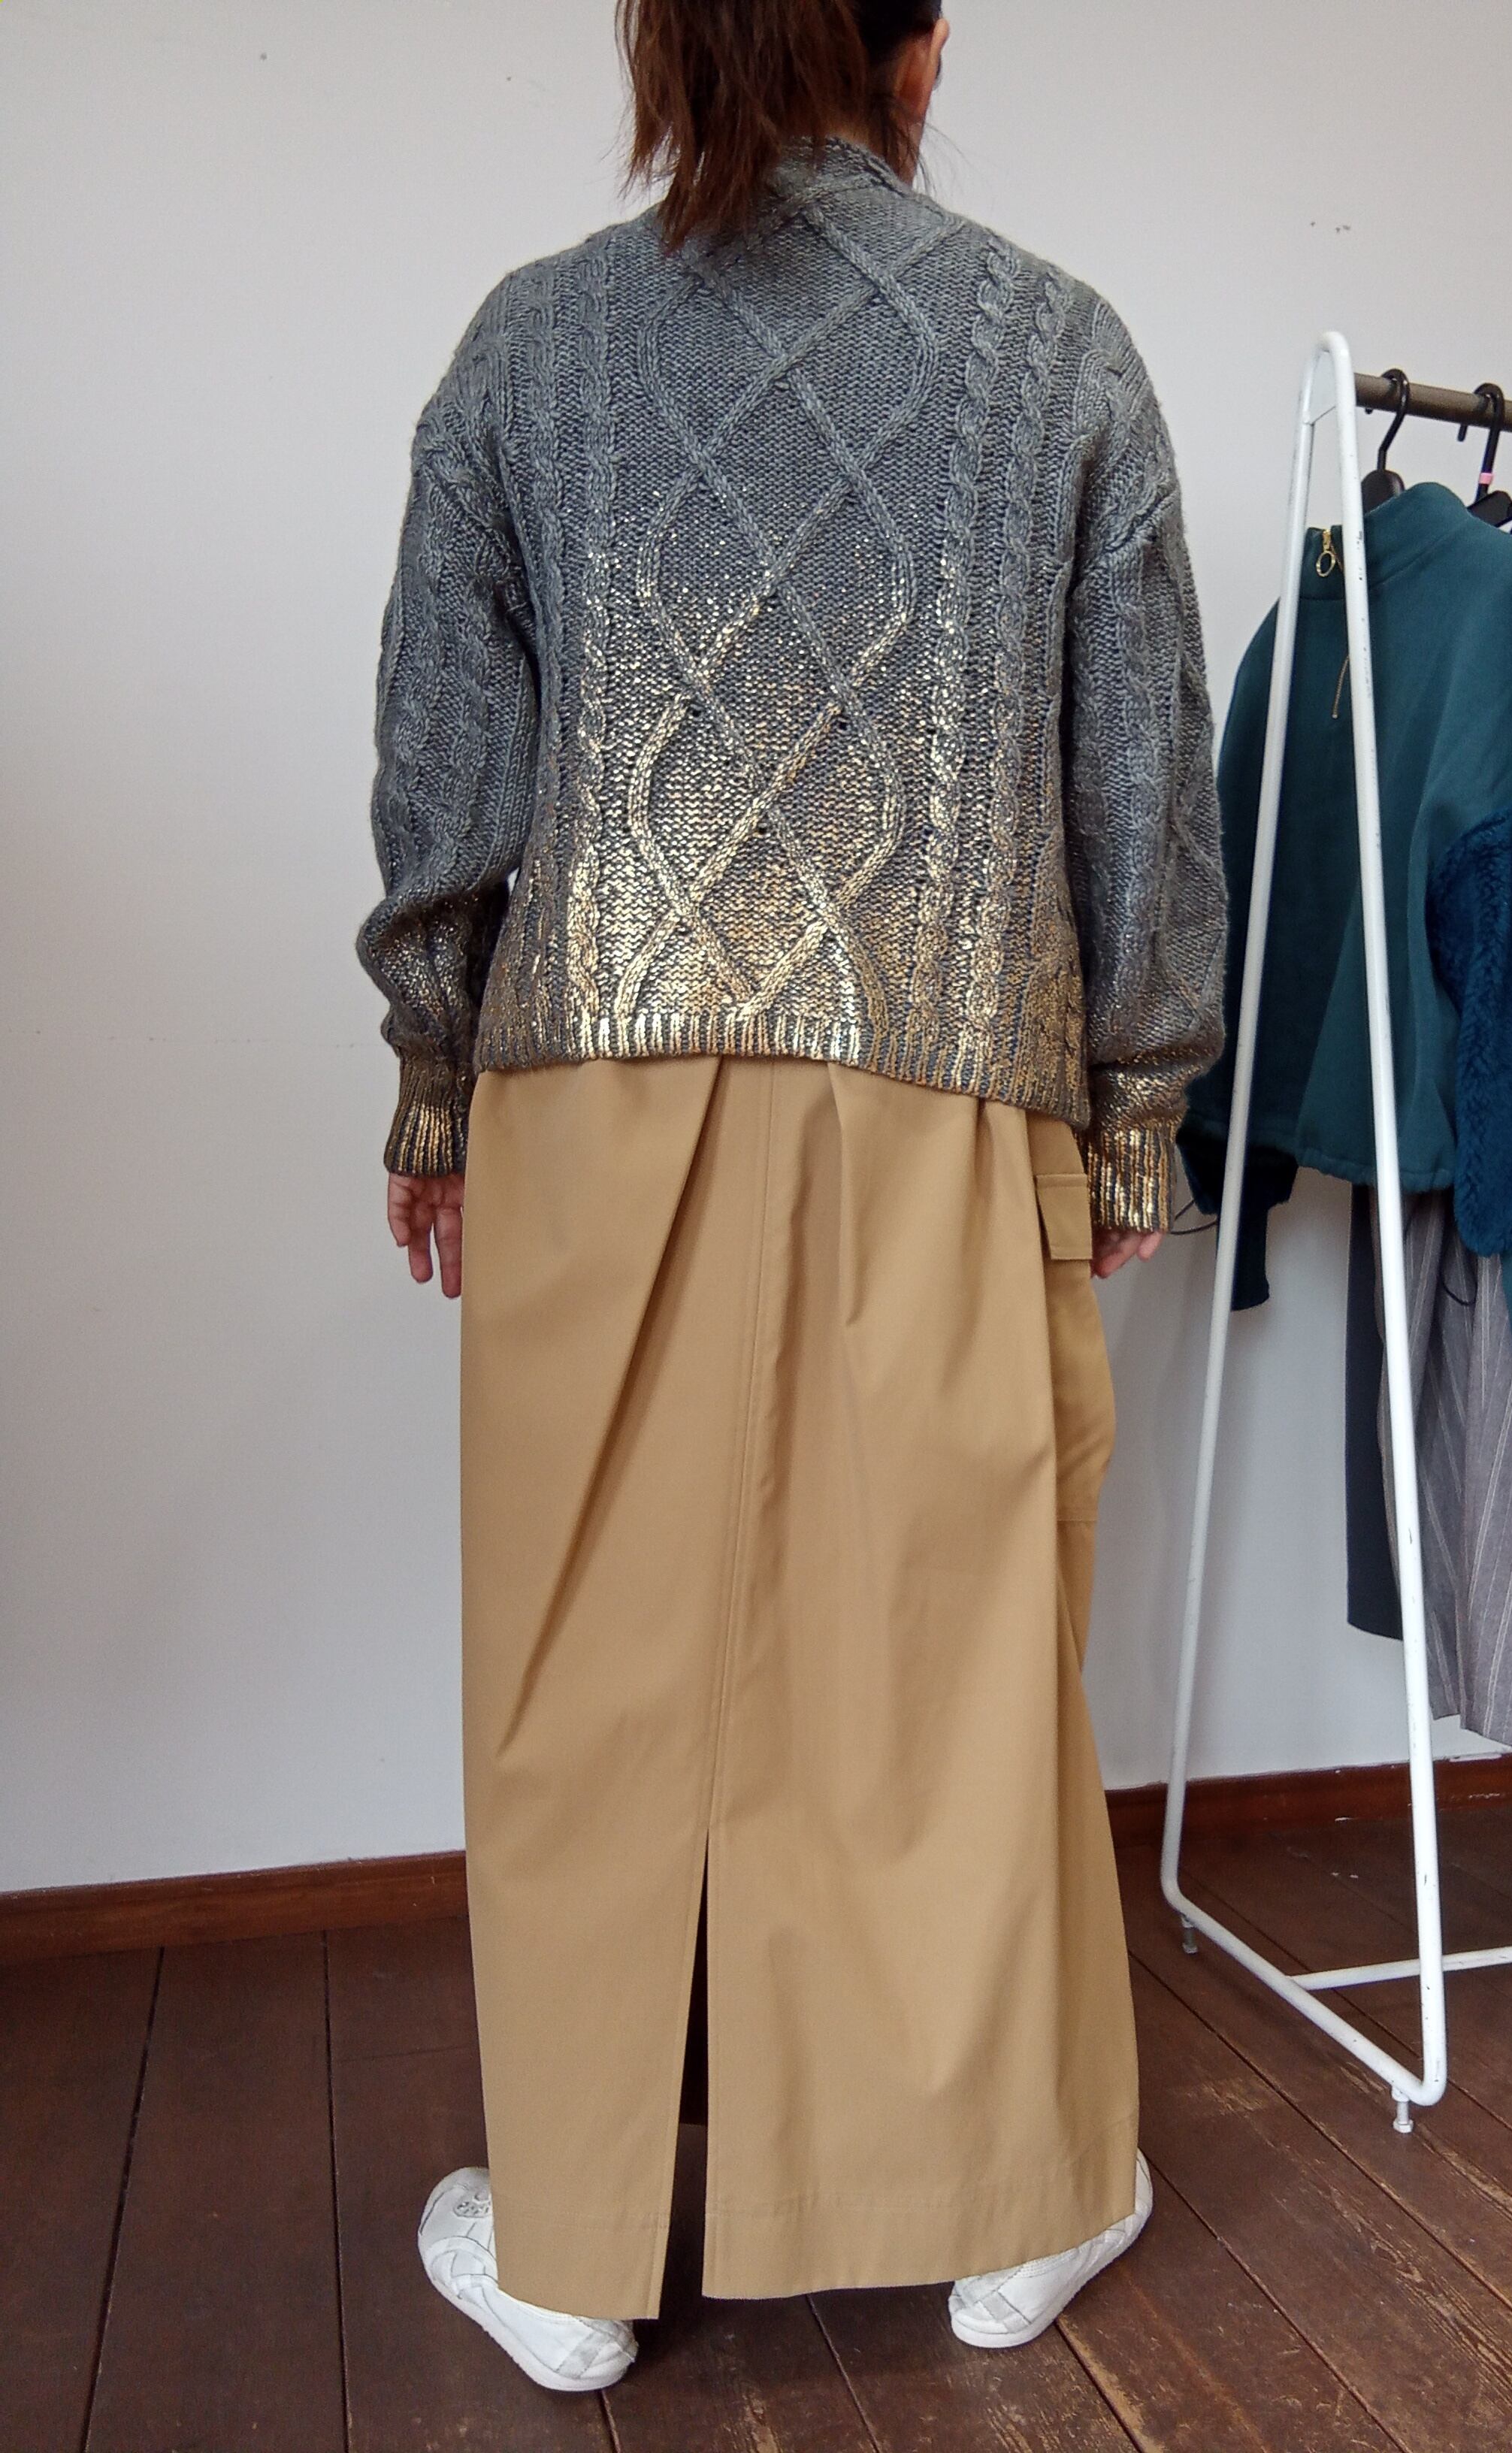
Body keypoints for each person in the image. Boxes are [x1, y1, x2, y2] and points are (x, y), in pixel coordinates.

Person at [359, 0, 1225, 2394]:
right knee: (951, 1664)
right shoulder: (1058, 353)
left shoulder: (531, 346)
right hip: (949, 1084)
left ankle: (573, 2254)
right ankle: (1016, 2204)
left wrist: (436, 1087)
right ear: (921, 52)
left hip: (592, 1088)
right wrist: (1135, 1117)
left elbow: (445, 748)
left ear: (663, 42)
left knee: (588, 1666)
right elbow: (1146, 778)